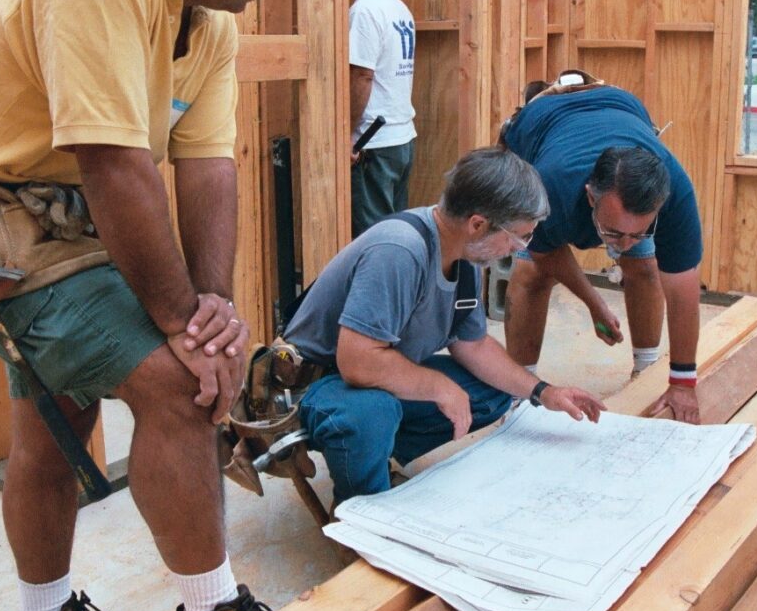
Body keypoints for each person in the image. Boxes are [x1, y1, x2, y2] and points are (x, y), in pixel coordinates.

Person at [0, 0, 341, 611]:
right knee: (175, 384)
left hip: (63, 210)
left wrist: (216, 308)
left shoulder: (210, 17)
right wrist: (181, 330)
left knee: (57, 418)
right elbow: (115, 165)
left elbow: (207, 168)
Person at [280, 147, 605, 505]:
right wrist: (438, 387)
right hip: (314, 386)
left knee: (494, 391)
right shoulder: (399, 250)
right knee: (372, 413)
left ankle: (373, 452)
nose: (518, 249)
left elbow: (474, 345)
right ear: (478, 223)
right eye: (519, 237)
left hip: (369, 377)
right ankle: (361, 508)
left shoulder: (463, 255)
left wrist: (543, 392)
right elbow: (358, 361)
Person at [500, 82, 703, 425]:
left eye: (637, 232)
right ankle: (519, 392)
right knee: (531, 274)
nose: (623, 244)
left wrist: (683, 382)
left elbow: (684, 293)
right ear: (591, 197)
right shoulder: (548, 185)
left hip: (622, 106)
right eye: (613, 233)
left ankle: (645, 368)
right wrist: (594, 301)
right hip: (540, 124)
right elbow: (547, 254)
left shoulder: (676, 192)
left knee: (644, 266)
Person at [348, 0, 417, 237]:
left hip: (372, 144)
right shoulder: (400, 9)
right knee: (395, 236)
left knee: (373, 242)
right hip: (401, 140)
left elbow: (363, 75)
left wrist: (348, 134)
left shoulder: (364, 10)